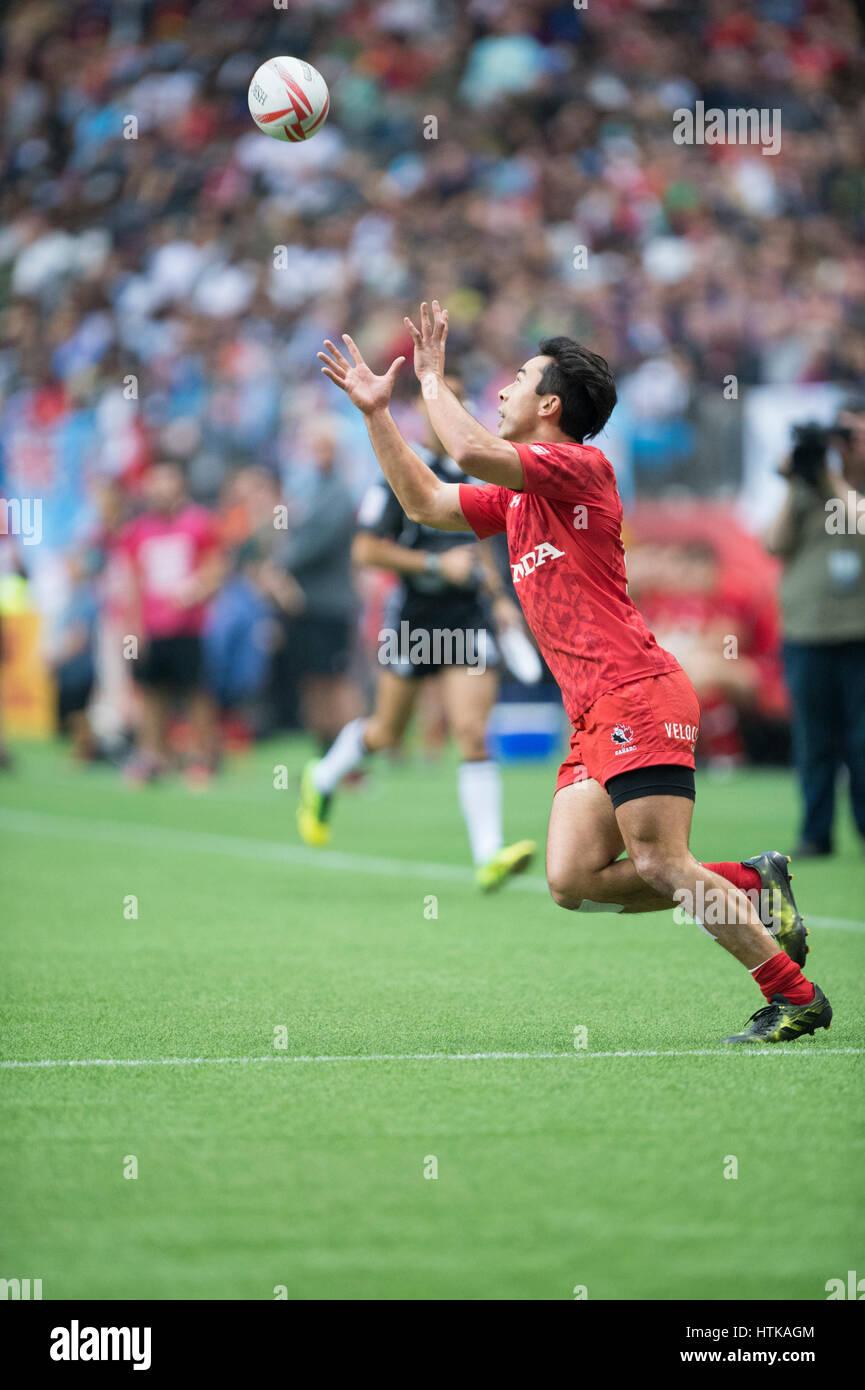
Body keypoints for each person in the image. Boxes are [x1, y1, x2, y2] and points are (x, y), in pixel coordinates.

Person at [314, 301, 832, 1046]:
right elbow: (425, 502)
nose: (500, 392)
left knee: (658, 860)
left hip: (636, 691)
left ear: (549, 405)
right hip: (592, 711)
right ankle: (752, 881)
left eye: (516, 381)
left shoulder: (578, 467)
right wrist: (375, 416)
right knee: (571, 882)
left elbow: (466, 448)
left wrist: (428, 379)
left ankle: (793, 996)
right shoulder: (521, 498)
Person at [297, 371, 536, 892]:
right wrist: (432, 569)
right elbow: (365, 551)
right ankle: (322, 777)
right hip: (414, 620)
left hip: (468, 617)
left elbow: (478, 547)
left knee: (471, 731)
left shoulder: (476, 473)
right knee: (385, 732)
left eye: (455, 397)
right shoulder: (396, 473)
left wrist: (499, 602)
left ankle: (488, 856)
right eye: (436, 398)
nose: (447, 408)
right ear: (419, 410)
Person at [764, 406, 865, 857]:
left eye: (851, 434)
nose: (843, 444)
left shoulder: (847, 492)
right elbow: (774, 543)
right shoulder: (805, 487)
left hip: (858, 632)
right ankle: (815, 833)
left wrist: (834, 481)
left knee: (863, 740)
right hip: (807, 631)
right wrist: (795, 482)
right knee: (813, 739)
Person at [120, 460, 224, 787]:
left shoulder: (199, 523)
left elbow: (216, 567)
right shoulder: (138, 531)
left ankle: (200, 758)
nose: (162, 488)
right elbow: (132, 581)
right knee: (152, 694)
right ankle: (152, 756)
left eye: (168, 481)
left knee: (195, 693)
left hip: (189, 626)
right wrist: (132, 625)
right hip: (153, 626)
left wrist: (199, 588)